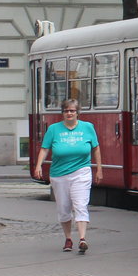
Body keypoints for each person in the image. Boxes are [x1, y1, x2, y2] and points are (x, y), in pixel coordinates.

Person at [32, 99, 102, 254]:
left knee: (80, 205)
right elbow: (44, 149)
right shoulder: (53, 129)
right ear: (62, 113)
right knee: (64, 209)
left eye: (72, 110)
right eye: (66, 111)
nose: (69, 113)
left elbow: (96, 148)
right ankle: (68, 238)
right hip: (59, 174)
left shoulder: (88, 127)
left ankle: (82, 239)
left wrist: (99, 169)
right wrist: (38, 166)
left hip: (81, 172)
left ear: (77, 112)